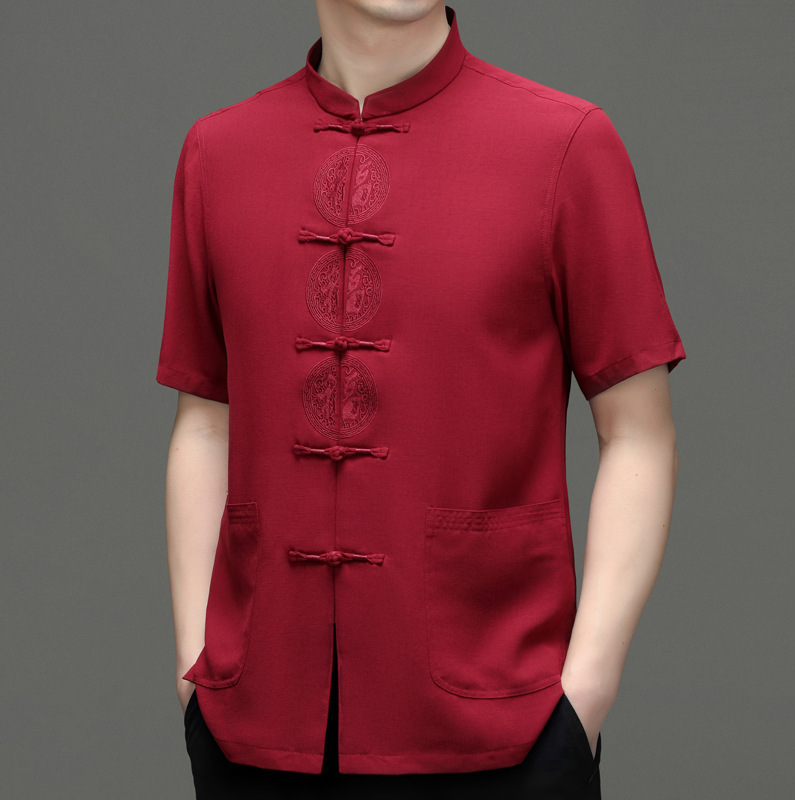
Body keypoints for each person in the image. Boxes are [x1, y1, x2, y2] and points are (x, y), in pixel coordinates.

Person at [156, 2, 686, 798]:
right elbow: (204, 421)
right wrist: (193, 668)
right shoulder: (218, 152)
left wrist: (586, 695)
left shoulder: (565, 143)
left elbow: (639, 432)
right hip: (256, 731)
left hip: (504, 728)